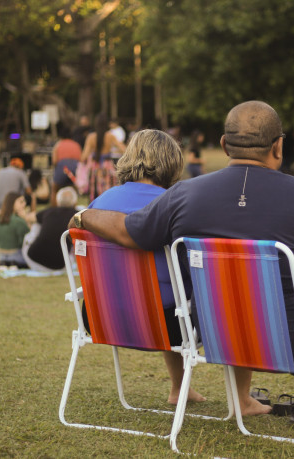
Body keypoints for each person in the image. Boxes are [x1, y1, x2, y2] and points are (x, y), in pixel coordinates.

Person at [70, 101, 294, 430]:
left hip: (224, 332)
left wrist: (83, 214)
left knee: (257, 310)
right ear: (279, 146)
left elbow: (128, 231)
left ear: (224, 145)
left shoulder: (183, 196)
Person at [82, 128, 206, 405]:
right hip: (164, 325)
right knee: (176, 296)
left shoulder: (99, 203)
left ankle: (179, 389)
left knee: (166, 294)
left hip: (100, 317)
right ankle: (232, 395)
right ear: (171, 161)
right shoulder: (176, 207)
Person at [22, 186, 79, 272]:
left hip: (33, 260)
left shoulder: (49, 212)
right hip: (61, 265)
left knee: (38, 223)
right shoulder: (77, 216)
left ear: (58, 201)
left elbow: (30, 218)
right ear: (75, 202)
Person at [81, 114, 126, 200]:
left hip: (95, 166)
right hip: (107, 166)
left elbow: (84, 156)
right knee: (108, 192)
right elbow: (124, 150)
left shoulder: (91, 137)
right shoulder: (111, 136)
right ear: (107, 124)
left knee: (94, 193)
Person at [0, 193, 30, 267]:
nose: (24, 204)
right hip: (17, 257)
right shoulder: (19, 221)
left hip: (2, 255)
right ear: (12, 203)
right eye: (21, 202)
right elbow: (28, 240)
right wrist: (26, 218)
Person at [50, 127, 82, 207]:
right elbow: (80, 160)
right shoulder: (76, 145)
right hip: (74, 168)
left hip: (63, 167)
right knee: (74, 189)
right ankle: (74, 207)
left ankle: (53, 207)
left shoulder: (58, 145)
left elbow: (54, 161)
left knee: (54, 189)